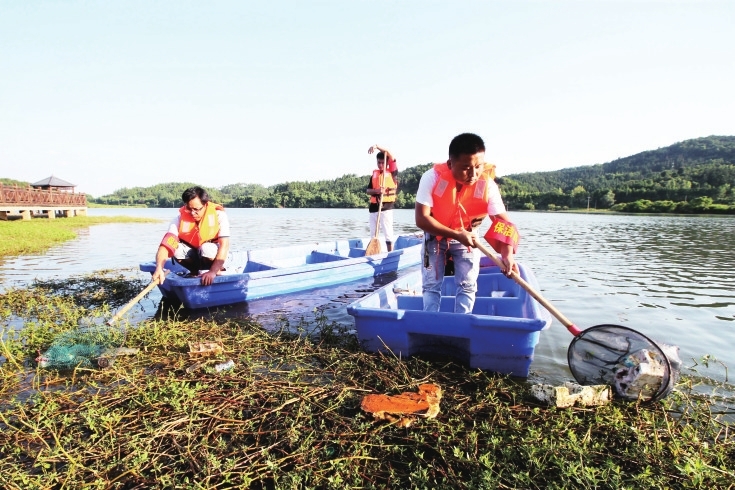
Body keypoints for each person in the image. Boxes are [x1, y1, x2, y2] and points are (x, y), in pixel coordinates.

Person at [414, 133, 519, 313]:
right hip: (435, 235)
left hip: (468, 237)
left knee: (467, 285)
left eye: (478, 167)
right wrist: (456, 235)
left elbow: (504, 223)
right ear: (450, 164)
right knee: (431, 285)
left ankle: (462, 323)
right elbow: (421, 219)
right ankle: (430, 322)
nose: (473, 174)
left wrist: (507, 254)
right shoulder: (432, 177)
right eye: (466, 168)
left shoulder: (487, 185)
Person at [152, 186, 230, 286]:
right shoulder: (179, 219)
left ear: (205, 204)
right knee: (177, 249)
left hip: (211, 254)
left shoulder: (219, 215)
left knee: (207, 248)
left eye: (196, 209)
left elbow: (225, 245)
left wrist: (212, 272)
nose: (193, 213)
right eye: (189, 209)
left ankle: (216, 270)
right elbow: (166, 245)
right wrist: (159, 268)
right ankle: (194, 272)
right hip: (194, 256)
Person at [366, 144, 399, 251]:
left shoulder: (392, 173)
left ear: (387, 163)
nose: (380, 165)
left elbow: (390, 154)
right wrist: (377, 191)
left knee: (388, 233)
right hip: (374, 208)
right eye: (378, 162)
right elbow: (368, 190)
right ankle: (374, 252)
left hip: (386, 207)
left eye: (382, 163)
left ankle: (390, 254)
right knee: (373, 234)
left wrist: (376, 146)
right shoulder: (374, 175)